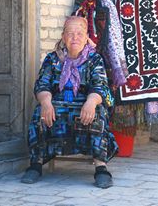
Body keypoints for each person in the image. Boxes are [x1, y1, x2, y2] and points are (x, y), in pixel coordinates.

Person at [21, 16, 118, 188]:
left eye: (80, 33)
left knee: (97, 114)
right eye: (70, 33)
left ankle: (101, 167)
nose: (75, 38)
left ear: (87, 36)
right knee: (39, 113)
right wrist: (46, 102)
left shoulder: (94, 59)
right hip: (56, 103)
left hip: (86, 103)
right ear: (63, 37)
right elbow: (42, 84)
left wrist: (91, 102)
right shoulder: (53, 59)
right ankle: (36, 163)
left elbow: (100, 86)